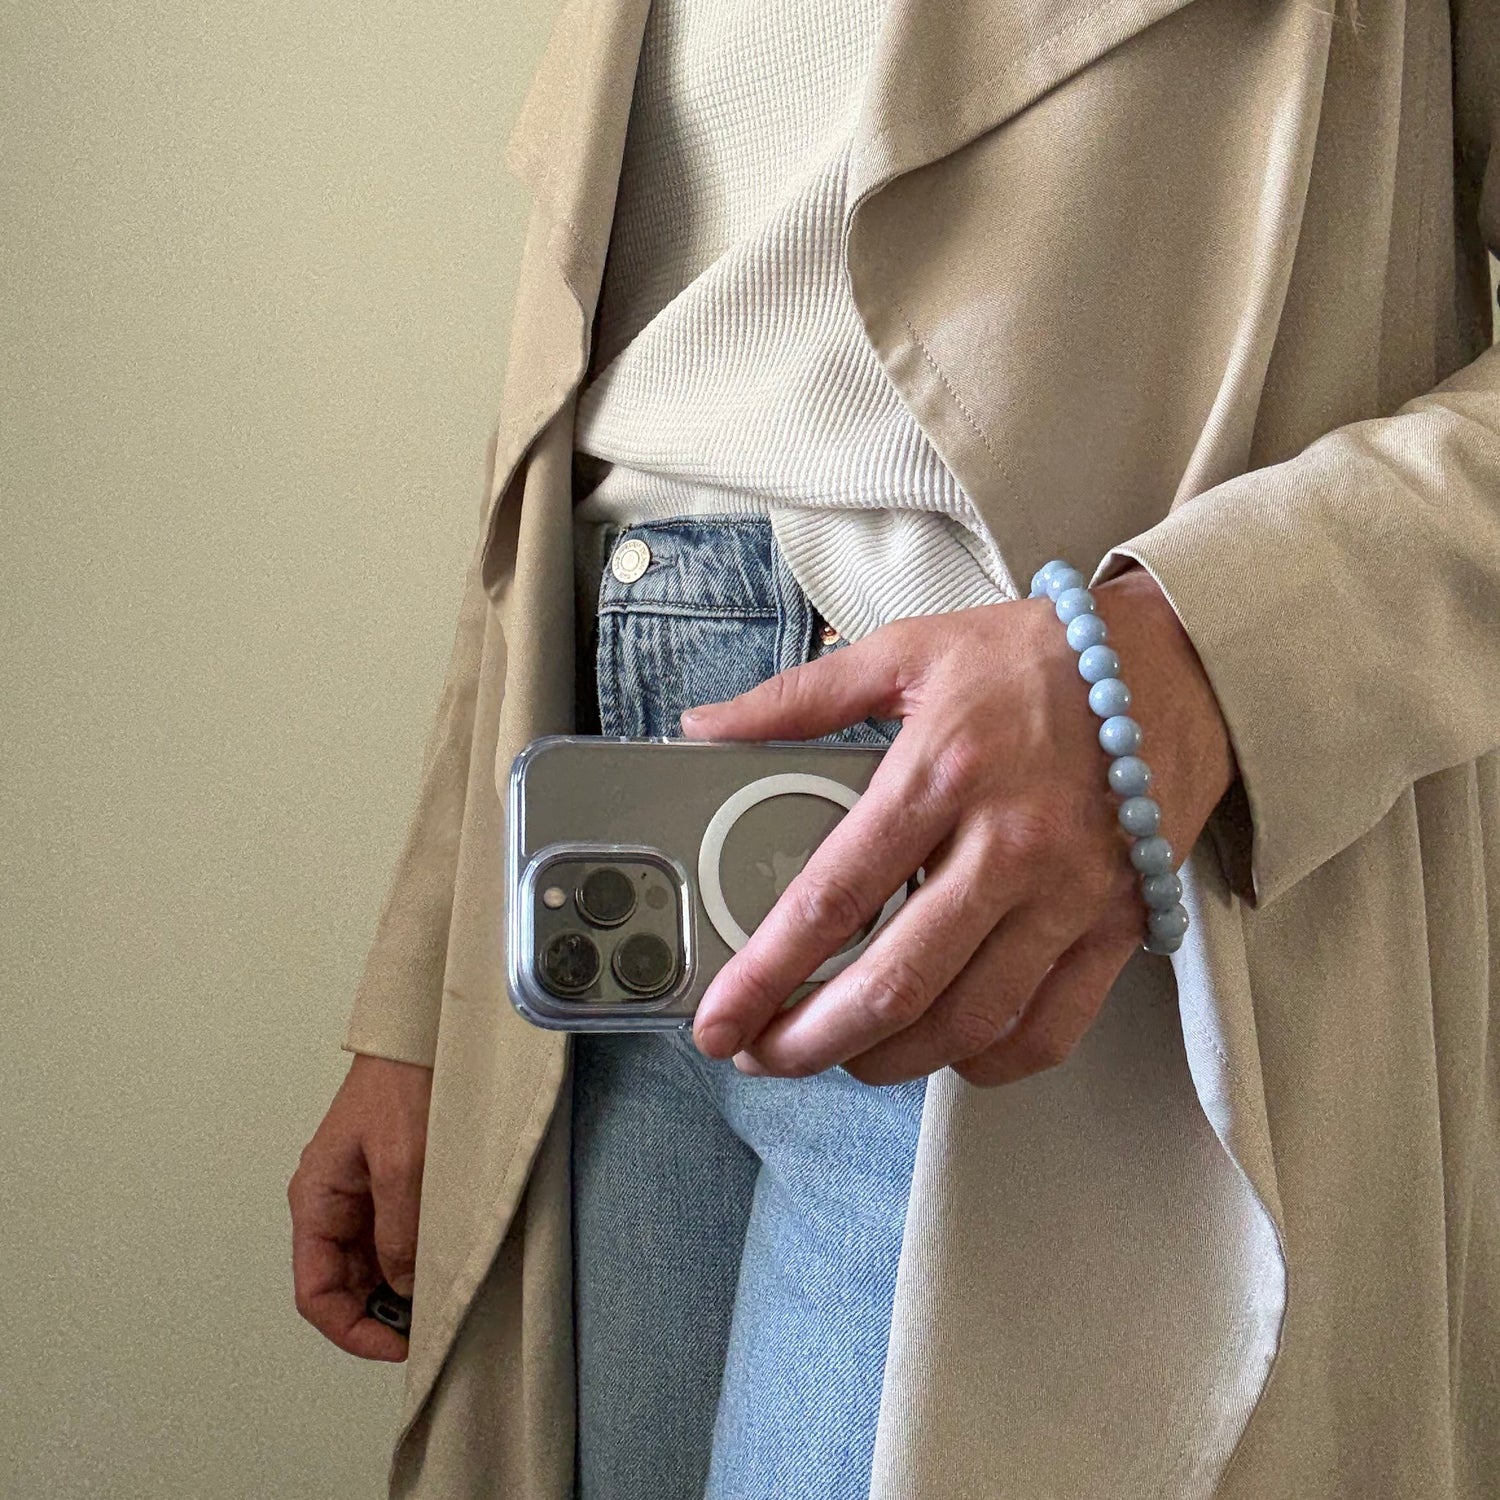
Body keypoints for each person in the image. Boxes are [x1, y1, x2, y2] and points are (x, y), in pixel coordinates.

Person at [288, 0, 1500, 1496]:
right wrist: (425, 995)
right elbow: (563, 425)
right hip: (590, 876)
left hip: (1045, 901)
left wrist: (1205, 655)